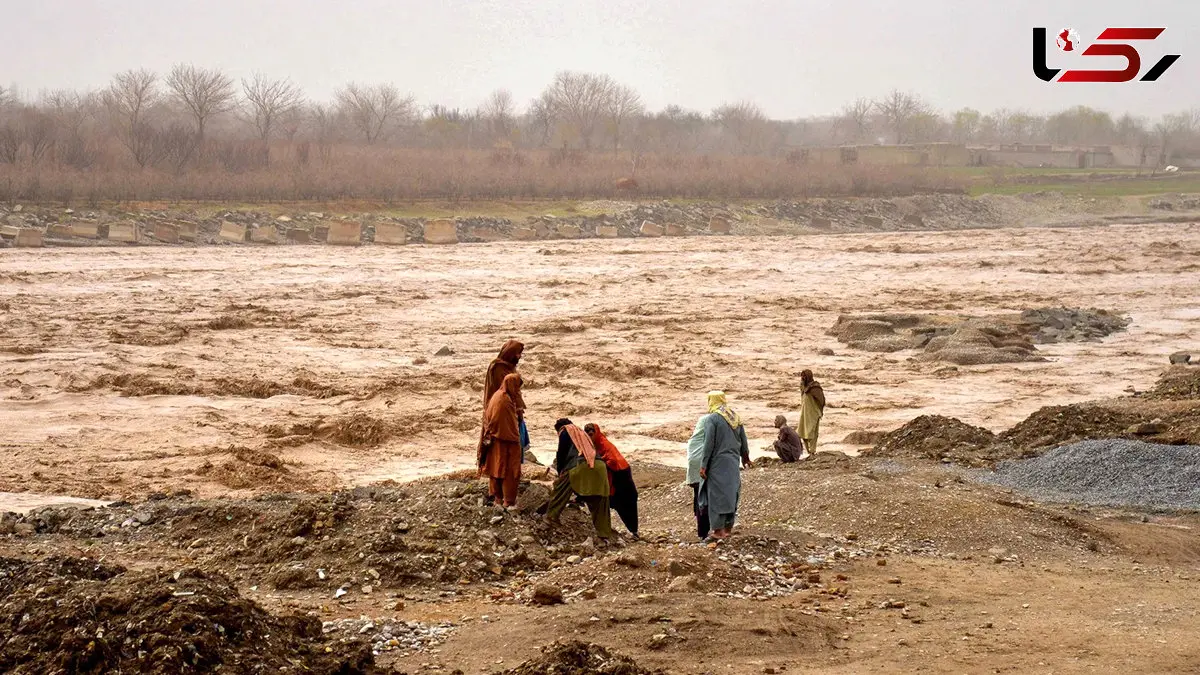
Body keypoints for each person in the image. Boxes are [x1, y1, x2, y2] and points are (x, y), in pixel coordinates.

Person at [543, 418, 614, 542]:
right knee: (599, 500)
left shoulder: (566, 431)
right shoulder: (581, 432)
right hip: (599, 467)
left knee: (561, 488)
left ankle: (550, 518)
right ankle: (604, 534)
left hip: (581, 465)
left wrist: (560, 471)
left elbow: (562, 453)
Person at [697, 391, 751, 541]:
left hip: (717, 463)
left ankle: (718, 531)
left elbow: (708, 444)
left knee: (715, 497)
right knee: (730, 495)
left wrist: (703, 465)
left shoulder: (712, 419)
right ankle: (728, 529)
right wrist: (745, 457)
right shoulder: (734, 417)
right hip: (733, 462)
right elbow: (743, 440)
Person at [479, 340, 526, 505]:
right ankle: (506, 500)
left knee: (497, 465)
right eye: (517, 353)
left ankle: (499, 498)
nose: (519, 357)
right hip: (500, 426)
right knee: (507, 468)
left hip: (501, 424)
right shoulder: (497, 369)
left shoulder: (509, 374)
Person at [584, 423, 638, 539]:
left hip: (620, 474)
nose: (590, 437)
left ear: (596, 433)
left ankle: (633, 531)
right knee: (609, 502)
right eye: (588, 435)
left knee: (626, 502)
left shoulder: (605, 444)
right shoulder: (594, 446)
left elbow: (612, 461)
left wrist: (600, 463)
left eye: (592, 434)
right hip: (613, 476)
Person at [684, 415, 710, 541]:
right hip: (702, 472)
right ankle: (704, 532)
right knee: (704, 500)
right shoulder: (706, 440)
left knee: (698, 498)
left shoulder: (694, 441)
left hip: (694, 474)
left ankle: (701, 532)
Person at [798, 369, 826, 454]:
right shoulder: (803, 386)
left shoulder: (815, 387)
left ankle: (813, 451)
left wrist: (819, 411)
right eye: (802, 376)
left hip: (813, 413)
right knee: (802, 432)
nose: (803, 378)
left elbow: (822, 400)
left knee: (812, 433)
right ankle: (808, 451)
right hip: (804, 413)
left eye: (804, 376)